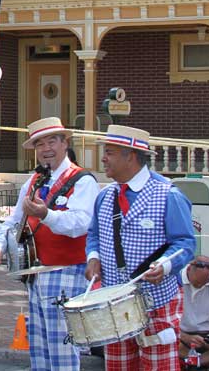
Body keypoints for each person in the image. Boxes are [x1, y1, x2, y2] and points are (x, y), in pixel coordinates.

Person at [0, 117, 100, 371]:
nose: (46, 148)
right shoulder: (33, 182)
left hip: (68, 271)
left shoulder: (82, 180)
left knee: (62, 348)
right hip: (37, 274)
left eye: (52, 141)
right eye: (40, 144)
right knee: (39, 348)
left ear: (64, 144)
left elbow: (81, 223)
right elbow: (14, 222)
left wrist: (45, 215)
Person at [85, 125, 195, 371]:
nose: (103, 158)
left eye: (110, 152)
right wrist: (93, 257)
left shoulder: (169, 195)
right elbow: (94, 235)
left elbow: (185, 244)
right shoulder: (105, 196)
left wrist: (165, 265)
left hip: (157, 302)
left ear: (130, 156)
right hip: (115, 305)